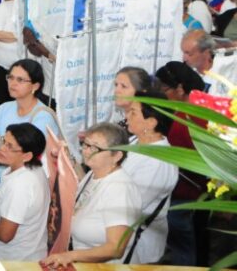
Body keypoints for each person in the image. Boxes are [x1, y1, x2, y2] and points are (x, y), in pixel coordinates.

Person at [42, 122, 142, 267]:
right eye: (86, 144)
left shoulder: (120, 189)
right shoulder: (94, 173)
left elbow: (116, 248)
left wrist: (70, 256)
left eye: (95, 148)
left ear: (117, 156)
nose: (87, 151)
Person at [154, 61, 209, 266]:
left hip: (184, 193)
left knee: (182, 248)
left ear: (179, 88)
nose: (162, 93)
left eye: (164, 88)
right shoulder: (198, 110)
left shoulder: (186, 118)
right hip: (194, 192)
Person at [0, 123, 50, 261]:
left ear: (27, 156)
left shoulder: (20, 185)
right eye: (3, 141)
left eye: (10, 146)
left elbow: (5, 235)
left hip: (13, 262)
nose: (2, 148)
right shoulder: (31, 169)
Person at [0, 59, 59, 188]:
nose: (13, 83)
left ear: (35, 86)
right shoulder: (4, 108)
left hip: (22, 184)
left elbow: (27, 160)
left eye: (20, 80)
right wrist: (10, 155)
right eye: (10, 77)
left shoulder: (43, 117)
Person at [121, 91, 178, 264]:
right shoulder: (135, 141)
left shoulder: (158, 162)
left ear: (151, 122)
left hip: (139, 250)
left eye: (133, 112)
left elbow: (131, 205)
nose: (127, 116)